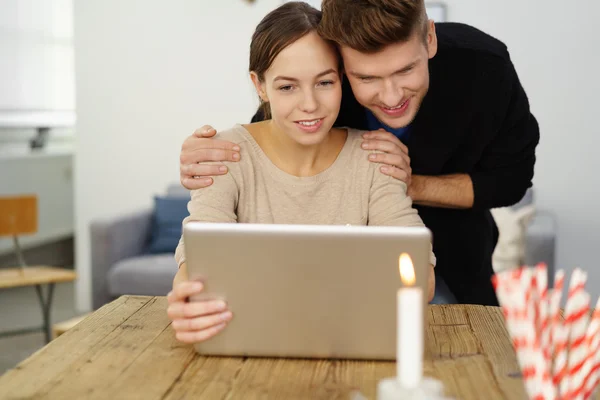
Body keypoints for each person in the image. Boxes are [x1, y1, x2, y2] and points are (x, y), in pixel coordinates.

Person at [178, 0, 540, 307]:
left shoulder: (484, 67)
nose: (392, 96)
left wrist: (409, 184)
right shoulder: (323, 89)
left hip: (457, 253)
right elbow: (271, 137)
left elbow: (510, 182)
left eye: (406, 69)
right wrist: (208, 156)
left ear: (429, 38)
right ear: (339, 60)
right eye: (365, 78)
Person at [167, 2, 436, 345]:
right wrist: (187, 299)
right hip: (248, 346)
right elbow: (196, 257)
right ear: (260, 86)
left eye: (324, 82)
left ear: (342, 77)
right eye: (287, 87)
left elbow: (421, 275)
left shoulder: (373, 156)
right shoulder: (225, 153)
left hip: (348, 342)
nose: (309, 104)